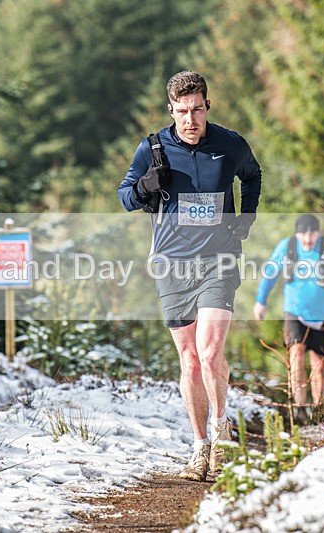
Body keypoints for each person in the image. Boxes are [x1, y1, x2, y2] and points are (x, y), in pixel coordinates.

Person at [118, 71, 262, 481]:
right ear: (172, 110)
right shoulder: (153, 149)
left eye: (197, 109)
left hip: (220, 260)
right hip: (172, 264)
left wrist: (245, 218)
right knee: (192, 361)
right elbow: (126, 197)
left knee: (211, 351)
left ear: (207, 105)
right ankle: (199, 447)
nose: (190, 120)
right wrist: (147, 185)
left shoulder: (230, 144)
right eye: (182, 112)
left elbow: (252, 176)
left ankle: (221, 433)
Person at [253, 214, 324, 423]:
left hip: (322, 315)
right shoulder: (287, 247)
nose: (307, 239)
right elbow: (270, 274)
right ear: (297, 234)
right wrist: (261, 301)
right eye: (303, 234)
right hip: (294, 311)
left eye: (312, 234)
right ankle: (298, 409)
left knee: (319, 364)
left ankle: (317, 412)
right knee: (296, 353)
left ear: (318, 233)